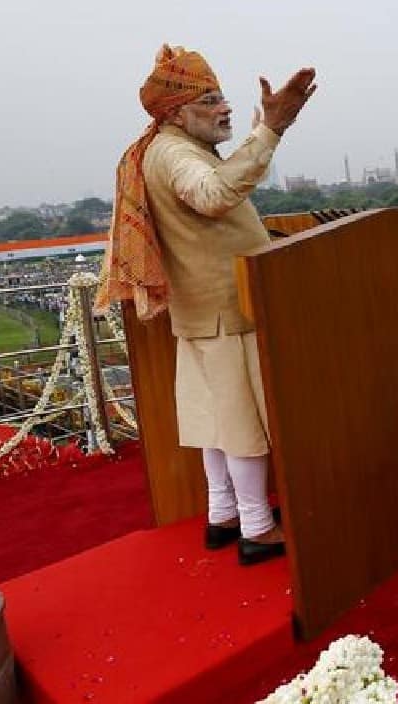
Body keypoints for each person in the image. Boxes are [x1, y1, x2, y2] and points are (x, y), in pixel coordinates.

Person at [96, 44, 317, 566]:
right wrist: (271, 131)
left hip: (205, 311)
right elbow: (215, 195)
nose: (226, 109)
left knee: (217, 420)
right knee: (240, 423)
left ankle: (225, 514)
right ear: (176, 111)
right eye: (211, 100)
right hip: (225, 310)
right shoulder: (176, 155)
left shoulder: (164, 148)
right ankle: (257, 528)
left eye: (222, 97)